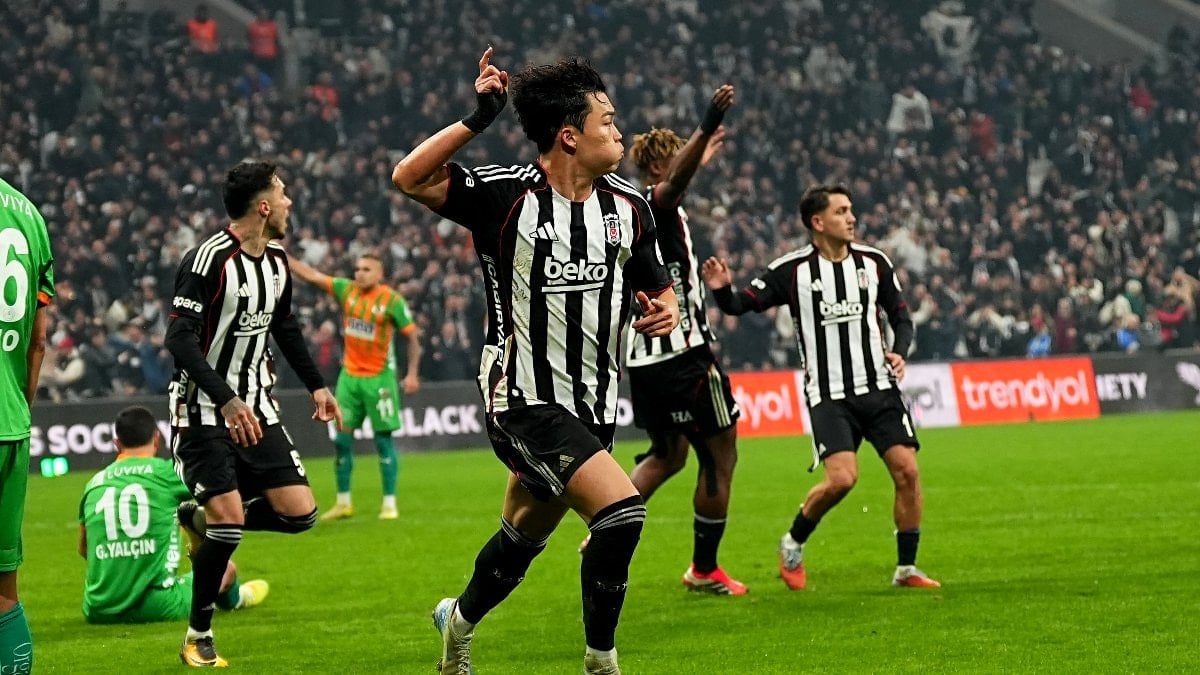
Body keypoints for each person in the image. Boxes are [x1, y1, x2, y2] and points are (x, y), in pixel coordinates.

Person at [392, 48, 679, 675]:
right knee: (622, 512)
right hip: (522, 396)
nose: (619, 132)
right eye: (608, 121)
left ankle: (457, 622)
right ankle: (601, 661)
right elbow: (409, 177)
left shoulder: (630, 207)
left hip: (593, 402)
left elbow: (659, 288)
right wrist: (478, 118)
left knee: (522, 539)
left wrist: (666, 309)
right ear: (570, 135)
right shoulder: (506, 196)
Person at [700, 184, 940, 591]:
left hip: (879, 388)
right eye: (841, 211)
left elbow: (901, 316)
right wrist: (722, 288)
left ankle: (906, 569)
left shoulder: (874, 263)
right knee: (843, 479)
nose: (852, 218)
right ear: (818, 222)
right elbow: (739, 305)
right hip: (829, 395)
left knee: (908, 471)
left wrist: (899, 351)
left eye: (851, 210)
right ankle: (793, 541)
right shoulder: (793, 270)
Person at [165, 160, 342, 667]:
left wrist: (316, 385)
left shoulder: (278, 261)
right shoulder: (208, 261)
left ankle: (200, 519)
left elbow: (284, 326)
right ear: (263, 207)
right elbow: (178, 338)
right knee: (229, 527)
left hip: (258, 407)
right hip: (203, 409)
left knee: (301, 514)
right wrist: (225, 397)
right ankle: (197, 637)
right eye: (282, 195)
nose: (289, 203)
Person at [613, 84, 748, 595]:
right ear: (657, 168)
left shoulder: (633, 209)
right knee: (720, 456)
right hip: (684, 354)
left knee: (668, 455)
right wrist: (707, 122)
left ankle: (605, 524)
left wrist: (699, 155)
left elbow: (680, 176)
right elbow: (674, 183)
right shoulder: (657, 200)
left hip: (645, 360)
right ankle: (704, 569)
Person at [78, 406, 269, 624]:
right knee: (226, 569)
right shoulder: (168, 473)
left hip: (98, 608)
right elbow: (220, 487)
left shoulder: (93, 484)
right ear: (156, 438)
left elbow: (84, 549)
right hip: (158, 605)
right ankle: (238, 599)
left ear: (117, 443)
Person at [289, 253, 421, 520]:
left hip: (380, 379)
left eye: (366, 269)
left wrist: (412, 374)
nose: (360, 273)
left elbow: (413, 337)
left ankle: (389, 503)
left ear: (379, 274)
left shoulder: (391, 301)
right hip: (349, 378)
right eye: (357, 268)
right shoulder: (346, 290)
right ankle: (343, 503)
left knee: (383, 441)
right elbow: (312, 275)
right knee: (341, 440)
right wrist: (281, 253)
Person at [0, 176, 53, 674]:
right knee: (4, 588)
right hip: (11, 423)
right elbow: (38, 342)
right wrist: (18, 405)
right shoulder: (29, 214)